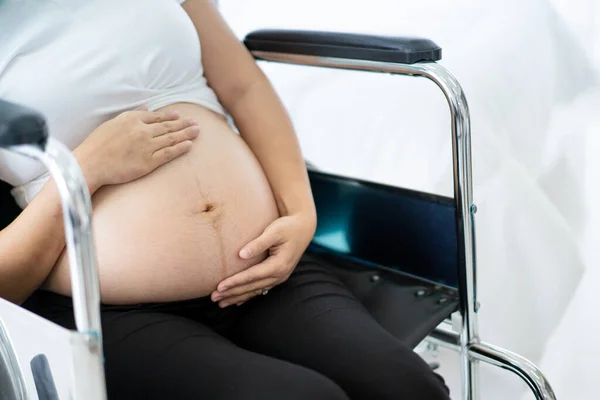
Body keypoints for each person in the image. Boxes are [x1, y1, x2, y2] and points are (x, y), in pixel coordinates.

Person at [0, 0, 451, 399]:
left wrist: (300, 212)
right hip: (108, 310)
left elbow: (243, 87)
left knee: (408, 388)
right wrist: (85, 170)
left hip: (265, 270)